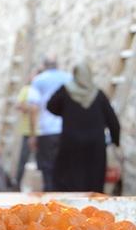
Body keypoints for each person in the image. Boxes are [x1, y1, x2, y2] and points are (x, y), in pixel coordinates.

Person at [46, 62, 121, 193]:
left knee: (68, 181)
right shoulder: (98, 95)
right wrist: (116, 141)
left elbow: (50, 106)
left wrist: (65, 112)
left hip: (71, 144)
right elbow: (113, 122)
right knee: (93, 183)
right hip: (95, 146)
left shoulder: (65, 91)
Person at [27, 54, 72, 191]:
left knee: (47, 171)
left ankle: (51, 203)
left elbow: (33, 108)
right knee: (64, 170)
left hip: (45, 130)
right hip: (65, 130)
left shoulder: (38, 81)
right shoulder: (68, 78)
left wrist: (33, 134)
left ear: (44, 65)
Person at [13, 69, 38, 190]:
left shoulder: (41, 90)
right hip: (28, 131)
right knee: (23, 160)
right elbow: (18, 105)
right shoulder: (26, 90)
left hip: (41, 132)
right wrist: (30, 107)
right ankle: (17, 185)